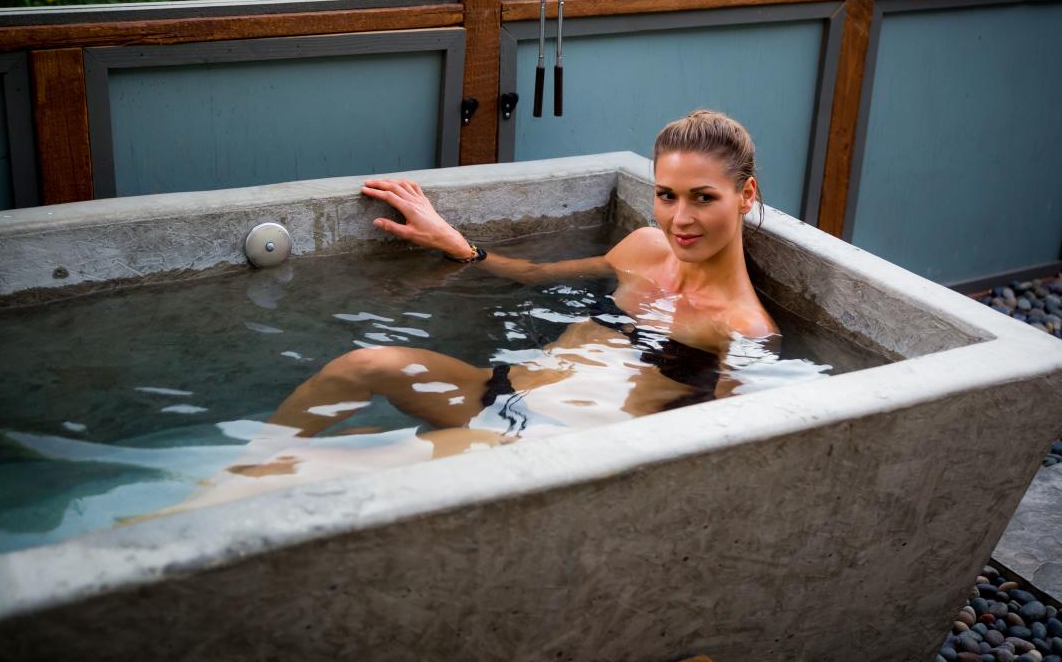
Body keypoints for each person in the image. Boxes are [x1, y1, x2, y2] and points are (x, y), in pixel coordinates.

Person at [266, 109, 781, 454]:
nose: (680, 218)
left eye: (703, 197)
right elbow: (536, 276)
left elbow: (720, 444)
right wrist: (457, 243)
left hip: (546, 439)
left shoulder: (742, 328)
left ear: (745, 194)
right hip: (502, 388)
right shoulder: (645, 249)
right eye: (667, 195)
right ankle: (243, 466)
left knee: (368, 462)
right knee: (364, 363)